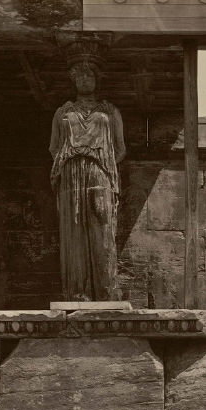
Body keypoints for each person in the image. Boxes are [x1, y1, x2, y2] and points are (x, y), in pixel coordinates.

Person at [49, 58, 125, 301]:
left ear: (96, 80)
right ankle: (76, 293)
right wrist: (72, 161)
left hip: (99, 169)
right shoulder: (63, 112)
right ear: (73, 81)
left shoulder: (110, 111)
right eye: (80, 76)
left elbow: (120, 148)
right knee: (73, 227)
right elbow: (54, 147)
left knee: (102, 224)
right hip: (71, 172)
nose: (84, 80)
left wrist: (101, 163)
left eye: (89, 75)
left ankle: (106, 292)